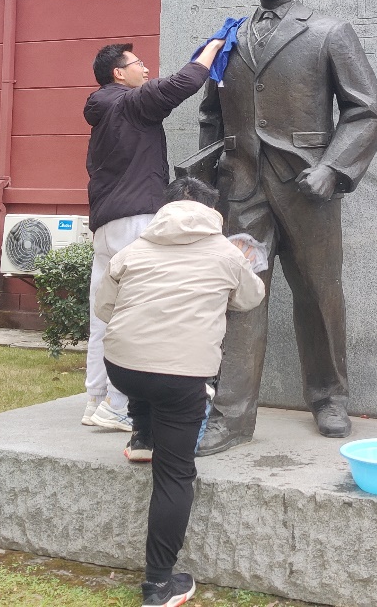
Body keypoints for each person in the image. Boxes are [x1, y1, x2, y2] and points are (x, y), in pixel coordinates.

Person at [196, 0, 377, 455]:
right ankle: (230, 416)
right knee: (240, 296)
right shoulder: (230, 37)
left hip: (308, 189)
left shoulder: (328, 32)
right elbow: (212, 114)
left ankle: (330, 397)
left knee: (319, 294)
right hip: (241, 189)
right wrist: (208, 181)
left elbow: (367, 107)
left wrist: (334, 168)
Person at [94, 177, 264, 607]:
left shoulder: (133, 250)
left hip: (123, 369)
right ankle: (158, 584)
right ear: (212, 210)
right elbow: (251, 299)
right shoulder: (227, 253)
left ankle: (142, 437)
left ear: (164, 208)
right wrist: (242, 269)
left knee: (144, 367)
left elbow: (104, 308)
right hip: (181, 377)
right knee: (174, 475)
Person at [81, 39, 224, 431]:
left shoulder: (103, 109)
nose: (145, 69)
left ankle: (96, 400)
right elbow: (184, 83)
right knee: (138, 313)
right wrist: (213, 46)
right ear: (118, 73)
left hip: (107, 225)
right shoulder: (129, 103)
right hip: (136, 220)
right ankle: (118, 407)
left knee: (104, 314)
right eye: (138, 64)